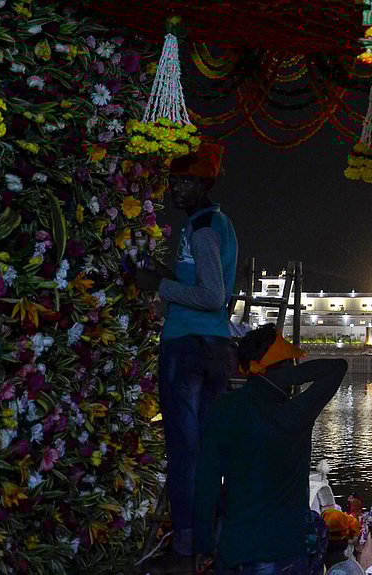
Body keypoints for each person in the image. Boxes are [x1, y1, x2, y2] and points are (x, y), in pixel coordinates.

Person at [137, 140, 237, 563]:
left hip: (189, 347)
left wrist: (159, 286)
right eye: (173, 181)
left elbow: (212, 295)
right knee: (207, 447)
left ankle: (187, 543)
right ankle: (209, 540)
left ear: (205, 183)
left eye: (185, 181)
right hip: (211, 348)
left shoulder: (203, 230)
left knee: (184, 449)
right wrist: (165, 273)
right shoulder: (210, 223)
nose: (175, 189)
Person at [192, 324, 347, 573]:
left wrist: (204, 545)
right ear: (283, 369)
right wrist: (277, 377)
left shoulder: (224, 408)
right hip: (284, 549)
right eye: (289, 363)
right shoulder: (293, 412)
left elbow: (206, 482)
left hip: (235, 549)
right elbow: (337, 368)